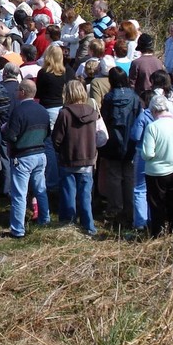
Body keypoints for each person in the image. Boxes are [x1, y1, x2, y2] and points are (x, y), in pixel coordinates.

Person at [3, 79, 51, 237]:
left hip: (23, 156)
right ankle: (45, 219)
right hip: (40, 154)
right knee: (40, 190)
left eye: (17, 90)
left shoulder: (18, 111)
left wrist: (4, 130)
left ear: (23, 92)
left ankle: (18, 229)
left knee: (19, 194)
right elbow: (47, 133)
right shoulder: (43, 110)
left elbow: (12, 136)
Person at [52, 80, 98, 235]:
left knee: (68, 194)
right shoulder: (93, 112)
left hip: (69, 158)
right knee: (85, 196)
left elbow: (57, 138)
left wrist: (60, 150)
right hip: (88, 158)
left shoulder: (64, 113)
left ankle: (68, 225)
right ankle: (89, 226)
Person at [140, 95, 173, 237]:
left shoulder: (152, 127)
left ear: (153, 110)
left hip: (156, 172)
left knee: (157, 204)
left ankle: (157, 233)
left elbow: (147, 153)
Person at [99, 68, 139, 223]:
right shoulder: (134, 97)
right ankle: (130, 207)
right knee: (129, 175)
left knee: (114, 176)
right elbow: (138, 117)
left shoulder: (109, 98)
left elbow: (104, 119)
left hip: (113, 141)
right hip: (130, 140)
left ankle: (115, 207)